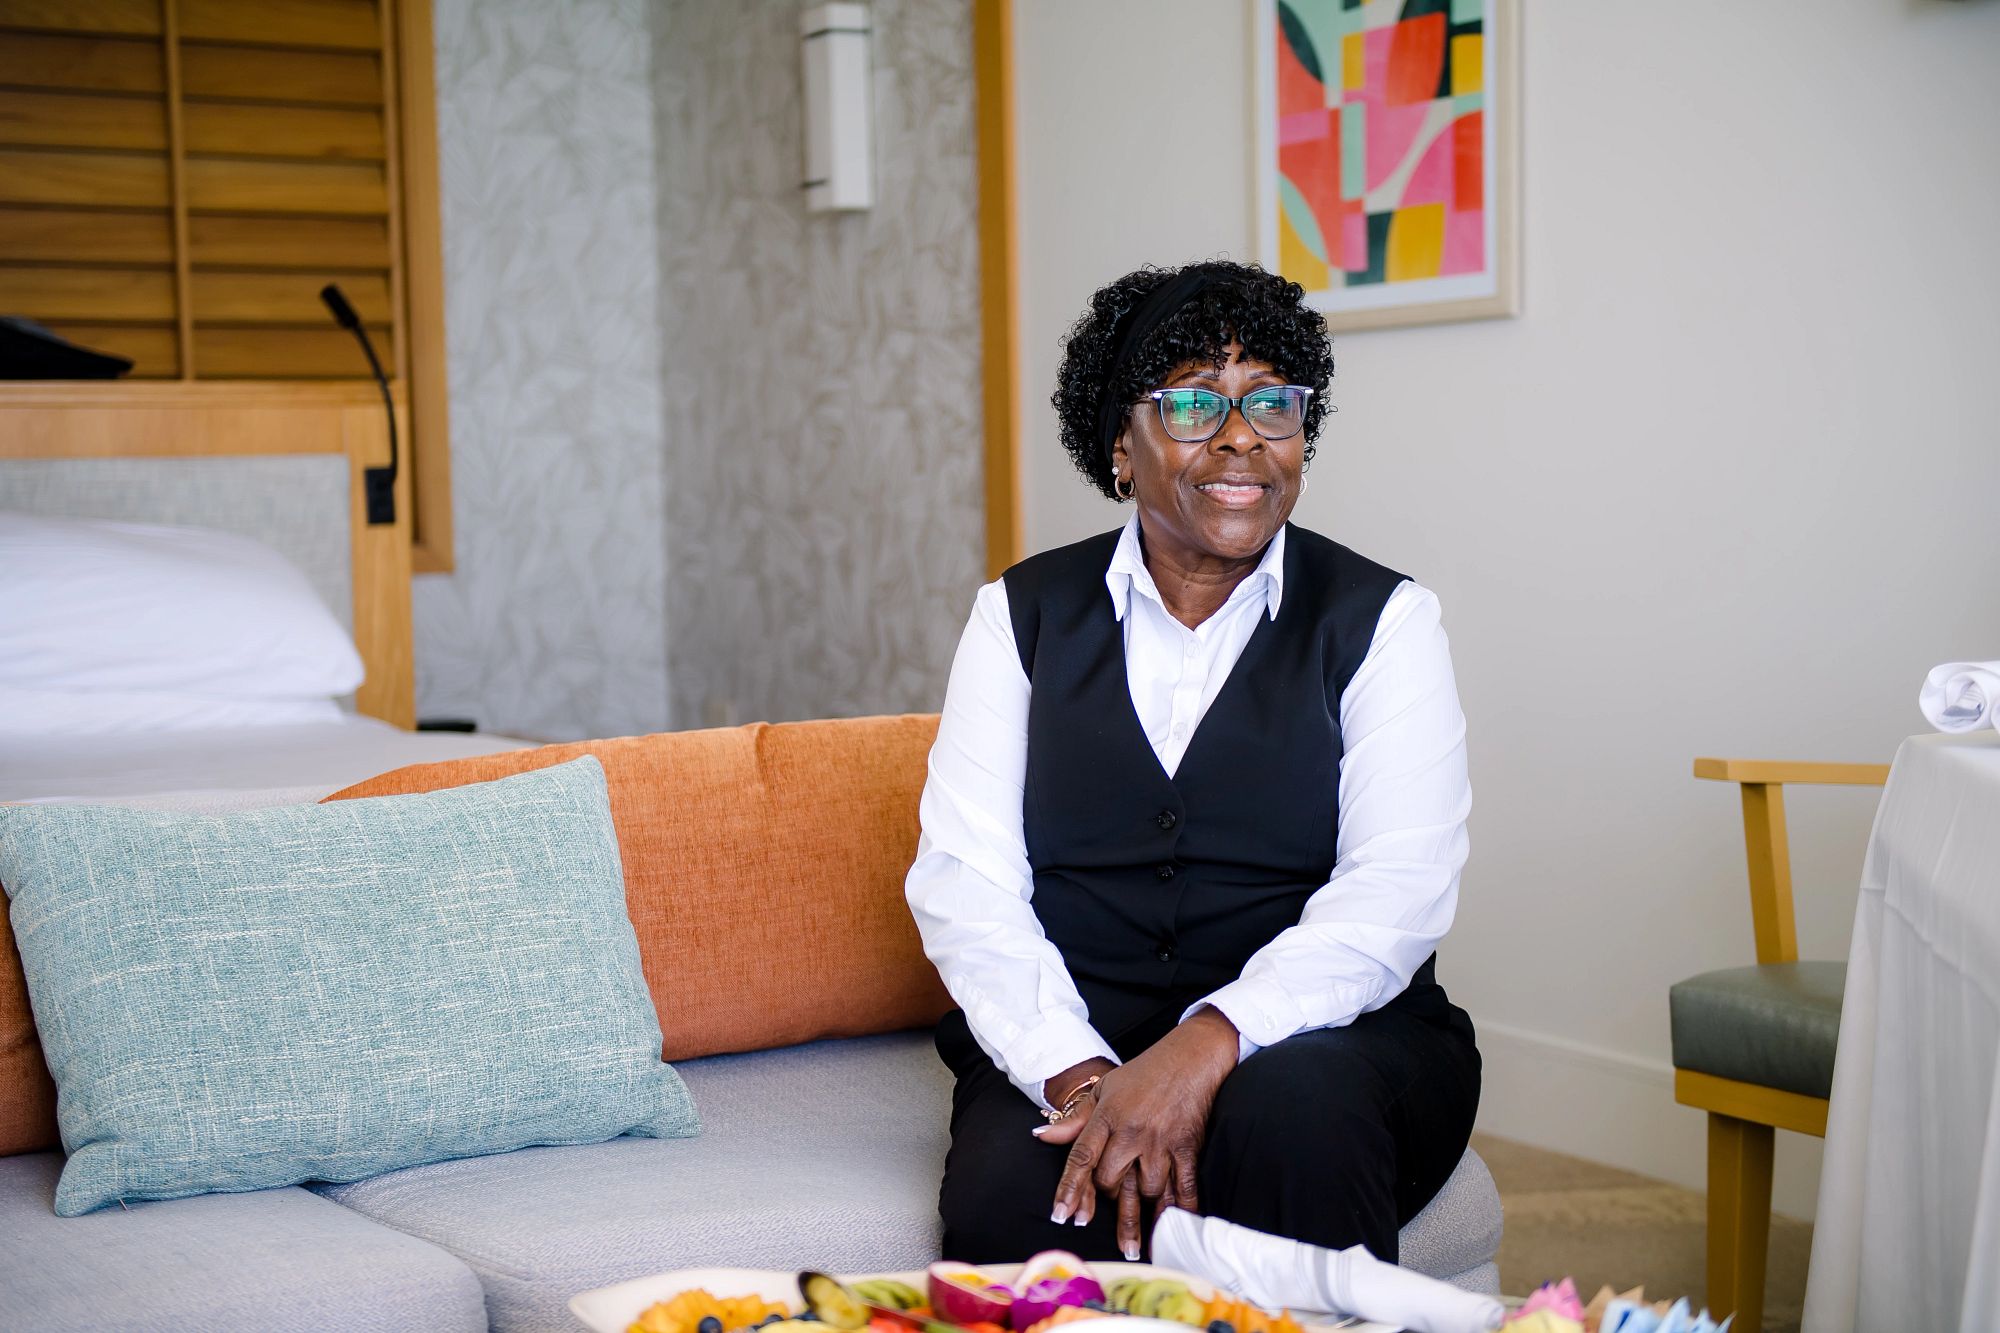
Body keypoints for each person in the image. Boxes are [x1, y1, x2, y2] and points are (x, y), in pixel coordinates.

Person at [904, 259, 1480, 1266]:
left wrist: (1204, 1049)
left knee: (1292, 1120)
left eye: (1268, 401)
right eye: (1190, 404)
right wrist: (1085, 1077)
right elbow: (966, 880)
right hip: (1083, 1030)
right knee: (1014, 1203)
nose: (1238, 438)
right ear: (1119, 449)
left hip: (1332, 1040)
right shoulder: (1020, 615)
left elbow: (1398, 889)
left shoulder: (1383, 622)